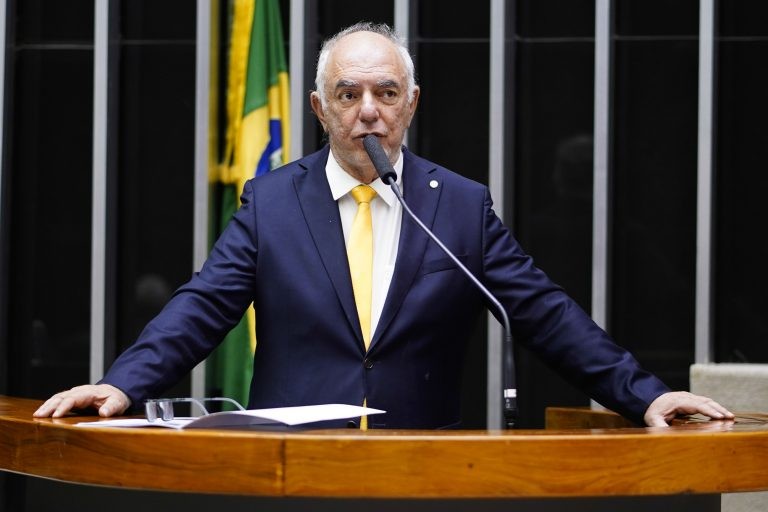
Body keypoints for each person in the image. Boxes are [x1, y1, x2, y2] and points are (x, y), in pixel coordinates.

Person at [35, 23, 732, 429]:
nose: (368, 110)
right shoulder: (274, 202)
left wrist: (646, 393)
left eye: (386, 93)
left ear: (412, 103)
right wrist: (123, 384)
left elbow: (545, 314)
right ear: (319, 107)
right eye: (349, 93)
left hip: (420, 470)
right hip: (290, 472)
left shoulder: (457, 206)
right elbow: (200, 306)